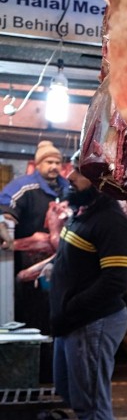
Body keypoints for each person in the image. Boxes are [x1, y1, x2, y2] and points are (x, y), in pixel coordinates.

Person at [49, 153, 127, 420]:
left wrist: (72, 307)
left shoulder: (111, 220)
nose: (69, 176)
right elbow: (75, 261)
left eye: (79, 172)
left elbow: (115, 281)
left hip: (92, 323)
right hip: (72, 323)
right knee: (68, 390)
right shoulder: (84, 213)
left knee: (92, 405)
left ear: (101, 180)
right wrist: (48, 269)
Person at [0, 140, 70, 333]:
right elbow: (6, 205)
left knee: (59, 302)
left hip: (62, 256)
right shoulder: (23, 186)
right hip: (30, 257)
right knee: (33, 304)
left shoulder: (68, 188)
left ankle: (54, 342)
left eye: (57, 162)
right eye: (49, 162)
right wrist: (4, 221)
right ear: (38, 164)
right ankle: (36, 345)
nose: (54, 166)